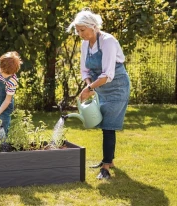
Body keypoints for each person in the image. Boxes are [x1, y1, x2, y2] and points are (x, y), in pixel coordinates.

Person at [67, 8, 130, 179]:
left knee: (109, 127)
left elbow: (108, 74)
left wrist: (89, 89)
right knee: (105, 125)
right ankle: (108, 161)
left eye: (82, 30)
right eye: (77, 31)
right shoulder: (85, 44)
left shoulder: (108, 41)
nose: (80, 34)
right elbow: (85, 70)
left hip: (117, 87)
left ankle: (106, 167)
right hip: (100, 88)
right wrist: (89, 85)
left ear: (93, 26)